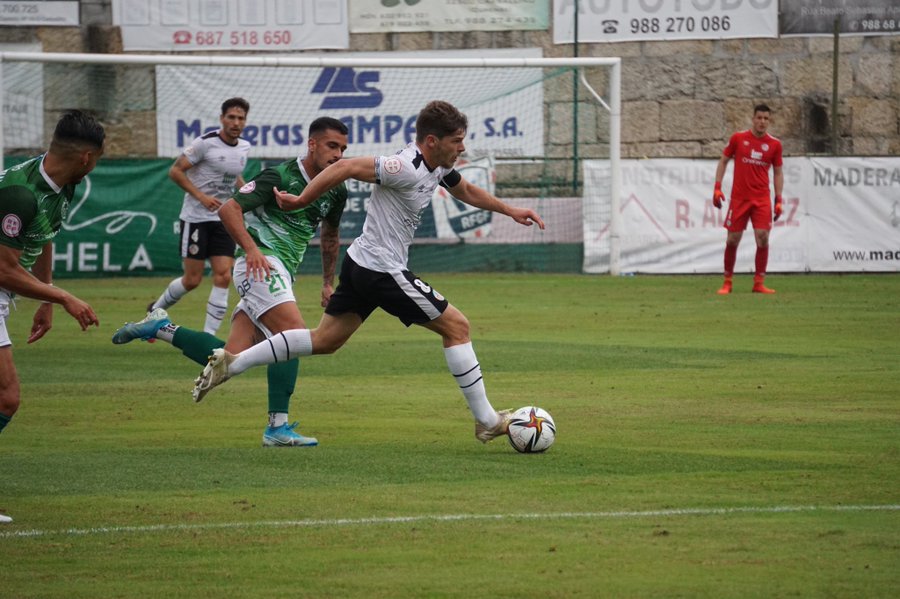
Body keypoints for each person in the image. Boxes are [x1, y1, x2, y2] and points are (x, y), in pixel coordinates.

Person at [193, 100, 545, 445]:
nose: (463, 147)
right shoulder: (402, 166)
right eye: (457, 140)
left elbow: (464, 189)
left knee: (324, 340)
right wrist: (301, 201)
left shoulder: (437, 165)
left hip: (361, 263)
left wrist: (509, 209)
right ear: (433, 141)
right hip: (381, 270)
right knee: (457, 326)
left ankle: (234, 363)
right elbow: (344, 168)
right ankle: (486, 421)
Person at [112, 117, 350, 447]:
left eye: (343, 149)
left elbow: (331, 235)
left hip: (280, 271)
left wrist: (327, 281)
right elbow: (229, 209)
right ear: (312, 144)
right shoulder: (279, 176)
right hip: (260, 264)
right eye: (331, 146)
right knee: (293, 336)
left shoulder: (337, 188)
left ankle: (159, 328)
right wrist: (251, 250)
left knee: (230, 357)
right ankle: (277, 428)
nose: (338, 154)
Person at [0, 110, 105, 442]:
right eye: (98, 159)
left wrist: (46, 297)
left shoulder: (61, 184)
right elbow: (3, 269)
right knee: (7, 397)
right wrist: (63, 297)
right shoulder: (20, 194)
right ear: (86, 158)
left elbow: (43, 236)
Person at [148, 97, 251, 334]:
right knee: (192, 280)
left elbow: (233, 177)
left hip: (224, 219)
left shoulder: (244, 147)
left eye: (241, 118)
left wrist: (246, 195)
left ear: (245, 121)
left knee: (224, 275)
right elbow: (175, 171)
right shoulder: (205, 143)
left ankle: (209, 337)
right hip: (196, 218)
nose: (236, 122)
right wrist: (202, 197)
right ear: (222, 119)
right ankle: (154, 311)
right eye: (231, 117)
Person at [712, 103, 784, 295]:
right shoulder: (738, 138)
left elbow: (778, 173)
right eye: (759, 118)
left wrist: (778, 199)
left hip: (761, 200)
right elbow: (723, 160)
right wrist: (717, 188)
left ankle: (758, 283)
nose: (762, 122)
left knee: (763, 238)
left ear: (769, 121)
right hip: (739, 199)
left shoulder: (775, 145)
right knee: (733, 239)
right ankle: (727, 282)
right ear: (753, 119)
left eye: (766, 119)